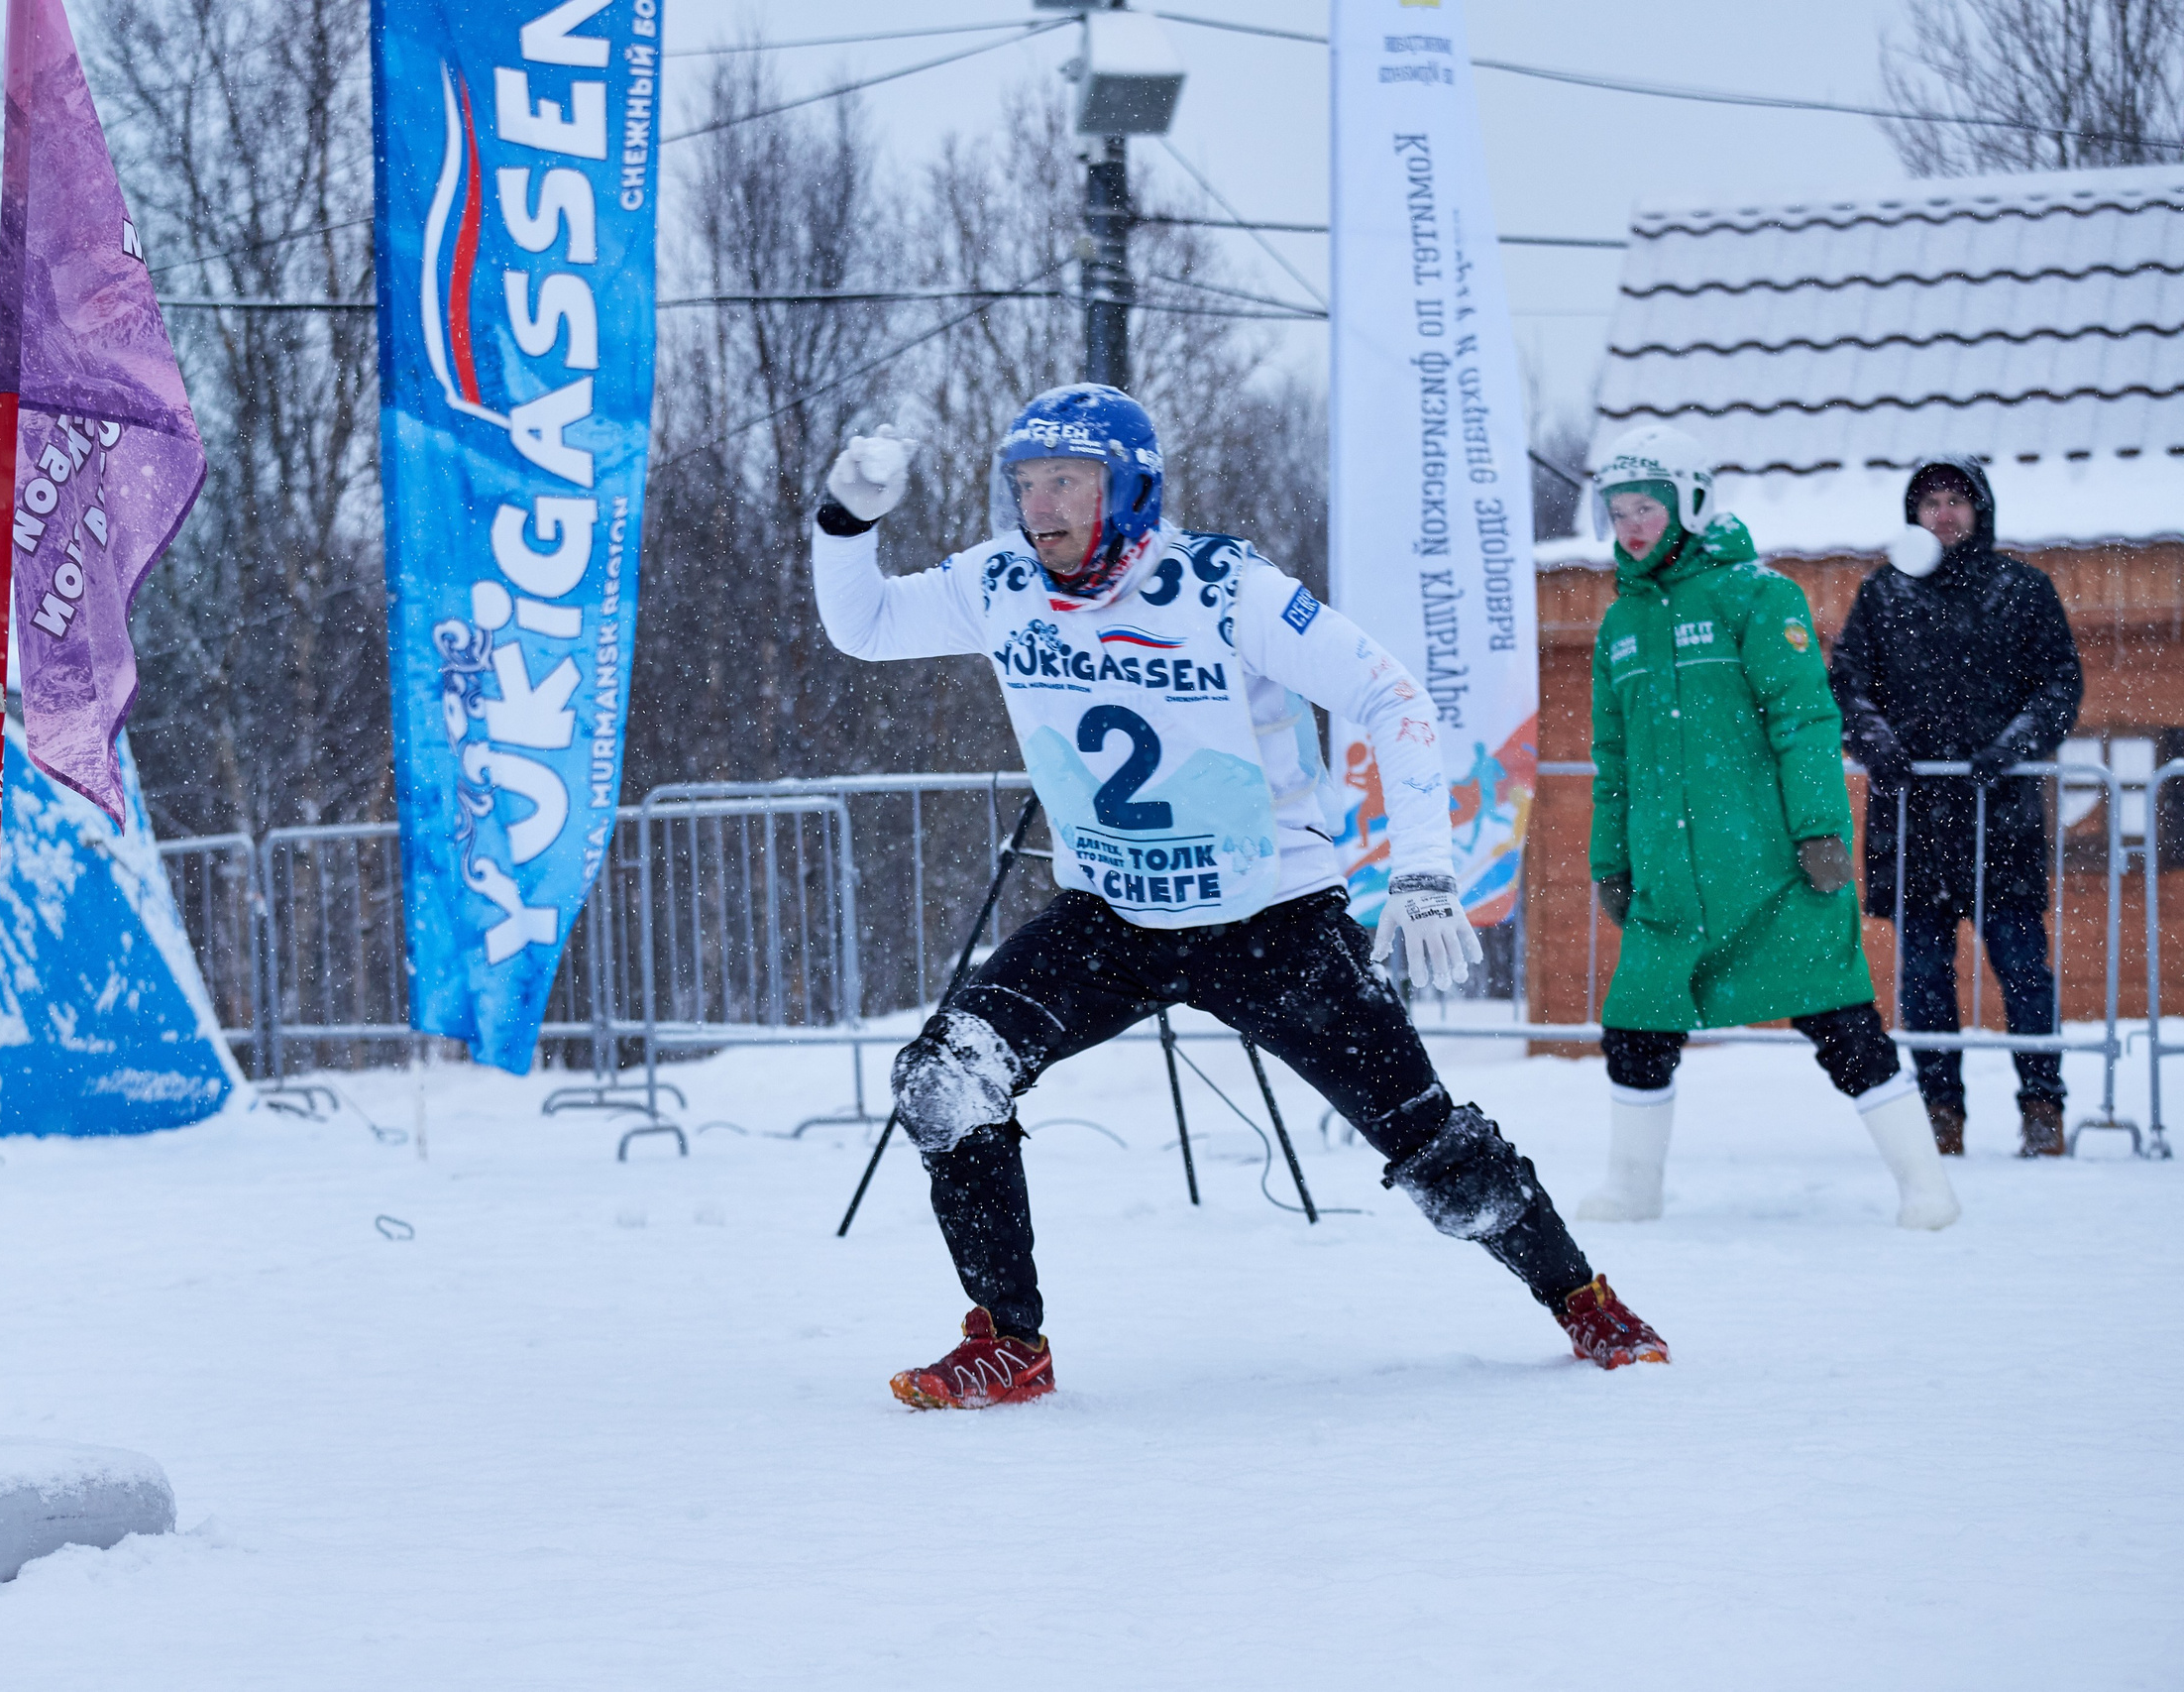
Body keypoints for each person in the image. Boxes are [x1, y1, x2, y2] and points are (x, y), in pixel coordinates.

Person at [810, 385, 1667, 1410]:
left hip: (1270, 920)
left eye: (1067, 484)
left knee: (1430, 1147)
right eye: (1026, 484)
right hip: (1111, 921)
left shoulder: (1221, 587)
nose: (1041, 509)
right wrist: (844, 519)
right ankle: (1010, 1341)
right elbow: (860, 625)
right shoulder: (997, 583)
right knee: (945, 1078)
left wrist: (1425, 868)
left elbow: (1391, 697)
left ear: (1126, 489)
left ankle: (1579, 1296)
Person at [1573, 424, 1959, 1231]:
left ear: (1692, 503)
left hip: (1773, 870)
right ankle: (1634, 1188)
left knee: (1842, 1024)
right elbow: (1613, 758)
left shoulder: (1760, 596)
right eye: (1620, 510)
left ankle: (1928, 1186)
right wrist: (1610, 858)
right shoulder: (1620, 627)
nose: (1633, 524)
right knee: (1635, 1027)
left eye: (1648, 505)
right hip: (1670, 883)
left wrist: (1821, 830)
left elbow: (1804, 719)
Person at [1828, 455, 2084, 1158]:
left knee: (2025, 972)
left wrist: (2014, 744)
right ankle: (1942, 1113)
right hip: (1914, 824)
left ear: (1980, 509)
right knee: (1926, 979)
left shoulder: (2022, 591)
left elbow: (2060, 685)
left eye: (1957, 500)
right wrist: (1876, 741)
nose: (1945, 512)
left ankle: (2042, 1109)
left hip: (2000, 817)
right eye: (1931, 500)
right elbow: (1845, 686)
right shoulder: (1884, 593)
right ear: (1913, 513)